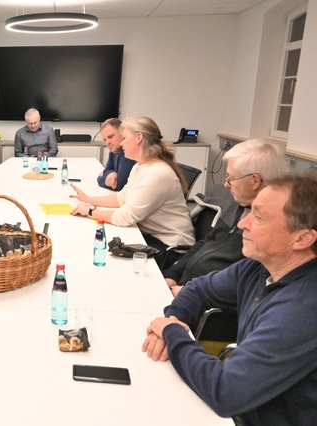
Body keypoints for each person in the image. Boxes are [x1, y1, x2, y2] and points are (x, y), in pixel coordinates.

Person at [142, 171, 317, 426]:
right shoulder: (260, 267)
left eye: (259, 217)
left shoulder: (302, 308)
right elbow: (199, 289)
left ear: (303, 238)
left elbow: (226, 392)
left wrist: (172, 333)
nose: (243, 224)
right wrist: (174, 320)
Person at [164, 139, 288, 296]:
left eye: (230, 178)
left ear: (255, 181)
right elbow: (207, 241)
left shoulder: (273, 229)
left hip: (205, 305)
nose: (226, 185)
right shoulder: (238, 205)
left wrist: (189, 292)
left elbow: (245, 289)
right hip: (186, 288)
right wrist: (173, 273)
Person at [70, 116, 194, 250]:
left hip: (170, 246)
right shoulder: (140, 166)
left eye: (124, 138)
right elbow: (121, 198)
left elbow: (124, 217)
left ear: (139, 138)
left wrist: (89, 210)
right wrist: (88, 199)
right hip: (150, 235)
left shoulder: (156, 174)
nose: (121, 143)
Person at [96, 118, 136, 191]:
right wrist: (111, 173)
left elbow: (120, 184)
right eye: (105, 139)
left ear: (122, 133)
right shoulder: (114, 150)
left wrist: (101, 180)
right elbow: (106, 170)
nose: (107, 142)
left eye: (110, 137)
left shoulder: (128, 152)